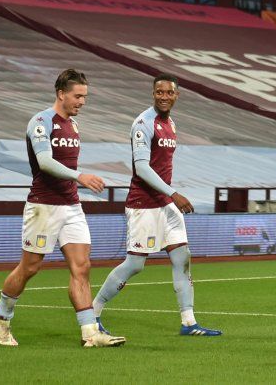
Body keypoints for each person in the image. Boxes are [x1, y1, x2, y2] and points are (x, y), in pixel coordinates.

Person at [0, 69, 124, 348]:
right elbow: (45, 162)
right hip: (43, 207)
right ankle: (1, 320)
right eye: (78, 96)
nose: (82, 102)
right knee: (30, 268)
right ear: (61, 94)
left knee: (82, 267)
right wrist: (80, 176)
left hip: (71, 206)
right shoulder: (41, 122)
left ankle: (90, 333)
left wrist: (76, 183)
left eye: (85, 97)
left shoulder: (73, 125)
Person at [92, 74, 221, 337]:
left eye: (169, 93)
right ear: (153, 94)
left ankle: (189, 323)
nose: (164, 96)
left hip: (165, 205)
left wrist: (170, 197)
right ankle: (92, 313)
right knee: (135, 265)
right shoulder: (143, 124)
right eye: (159, 92)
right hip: (143, 204)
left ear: (176, 95)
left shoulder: (171, 123)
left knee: (182, 258)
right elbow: (141, 168)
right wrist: (174, 193)